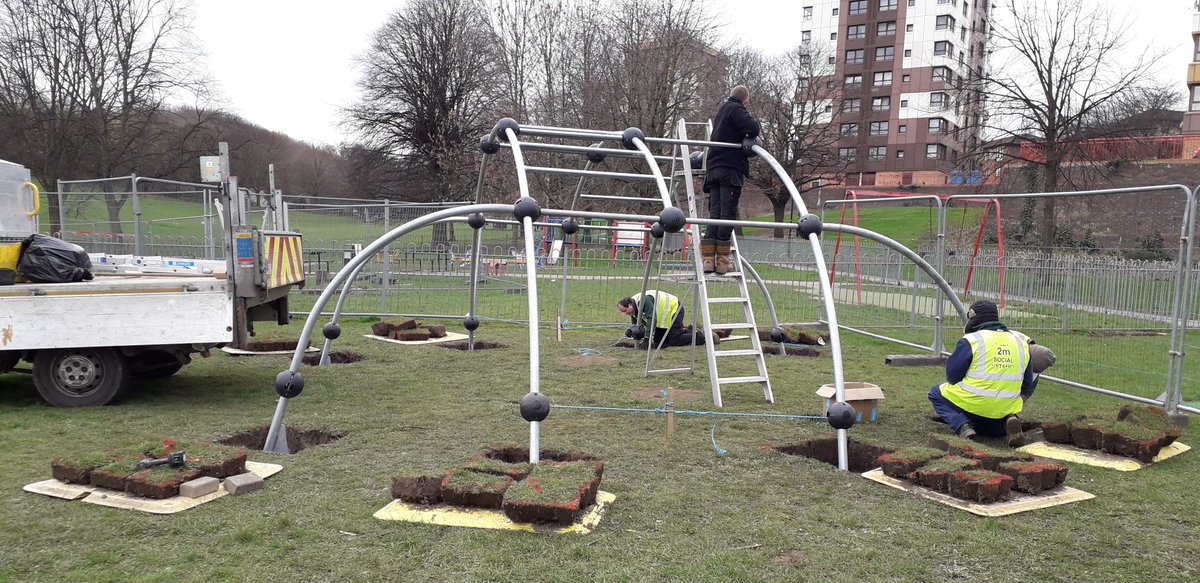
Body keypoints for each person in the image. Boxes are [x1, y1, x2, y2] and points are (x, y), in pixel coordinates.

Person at [928, 300, 1055, 447]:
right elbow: (1026, 385)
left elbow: (952, 377)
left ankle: (962, 425)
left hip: (972, 404)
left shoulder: (971, 340)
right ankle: (1006, 423)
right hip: (1005, 408)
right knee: (991, 422)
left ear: (973, 317)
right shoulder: (1020, 343)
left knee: (935, 393)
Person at [701, 85, 760, 275]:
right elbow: (753, 128)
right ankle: (722, 261)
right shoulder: (736, 109)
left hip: (714, 168)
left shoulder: (722, 111)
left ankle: (708, 259)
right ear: (745, 101)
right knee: (727, 214)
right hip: (729, 168)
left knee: (715, 213)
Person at [617, 290, 712, 349]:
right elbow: (637, 325)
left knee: (674, 340)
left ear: (629, 305)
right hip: (667, 316)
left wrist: (646, 339)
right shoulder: (633, 307)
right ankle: (686, 331)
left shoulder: (643, 301)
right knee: (658, 340)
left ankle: (700, 336)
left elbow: (651, 318)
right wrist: (631, 331)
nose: (625, 313)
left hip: (675, 309)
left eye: (625, 310)